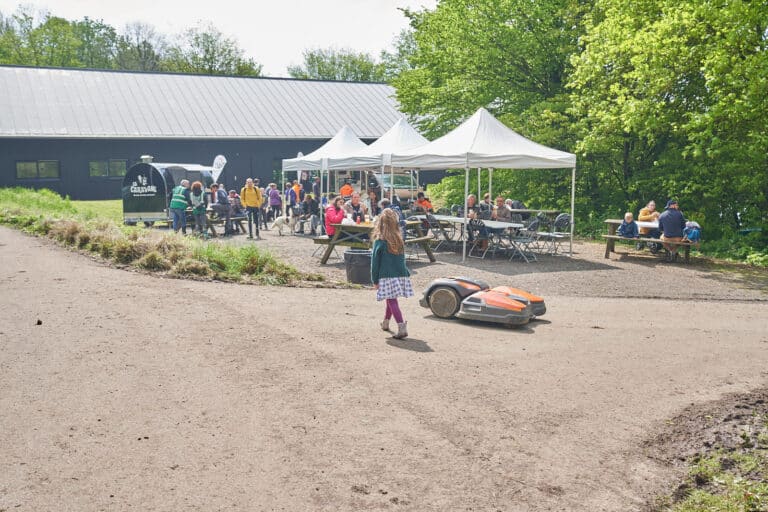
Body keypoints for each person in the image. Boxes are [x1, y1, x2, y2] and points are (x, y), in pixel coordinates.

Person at [371, 208, 414, 339]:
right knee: (391, 298)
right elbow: (402, 260)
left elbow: (374, 264)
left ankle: (401, 326)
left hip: (386, 276)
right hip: (400, 274)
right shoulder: (399, 240)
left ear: (381, 223)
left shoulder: (380, 242)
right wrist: (406, 272)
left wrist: (375, 280)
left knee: (391, 300)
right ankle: (385, 323)